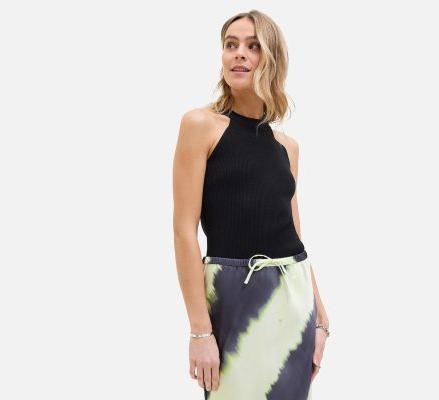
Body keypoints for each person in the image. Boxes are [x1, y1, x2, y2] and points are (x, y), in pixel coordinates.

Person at [172, 9, 330, 399]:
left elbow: (294, 235)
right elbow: (183, 232)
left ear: (272, 58)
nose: (239, 53)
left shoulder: (287, 148)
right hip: (232, 296)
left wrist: (321, 318)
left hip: (293, 299)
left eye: (253, 46)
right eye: (231, 45)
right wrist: (200, 331)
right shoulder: (201, 126)